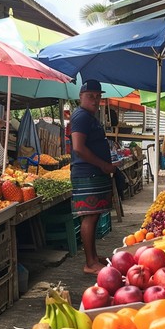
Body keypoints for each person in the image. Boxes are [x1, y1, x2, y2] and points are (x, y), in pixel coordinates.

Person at [70, 79, 120, 275]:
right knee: (89, 216)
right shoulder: (81, 116)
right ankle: (90, 262)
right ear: (80, 97)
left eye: (98, 96)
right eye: (90, 96)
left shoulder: (89, 117)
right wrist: (104, 165)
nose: (95, 100)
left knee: (95, 214)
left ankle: (93, 257)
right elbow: (78, 148)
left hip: (94, 172)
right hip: (87, 172)